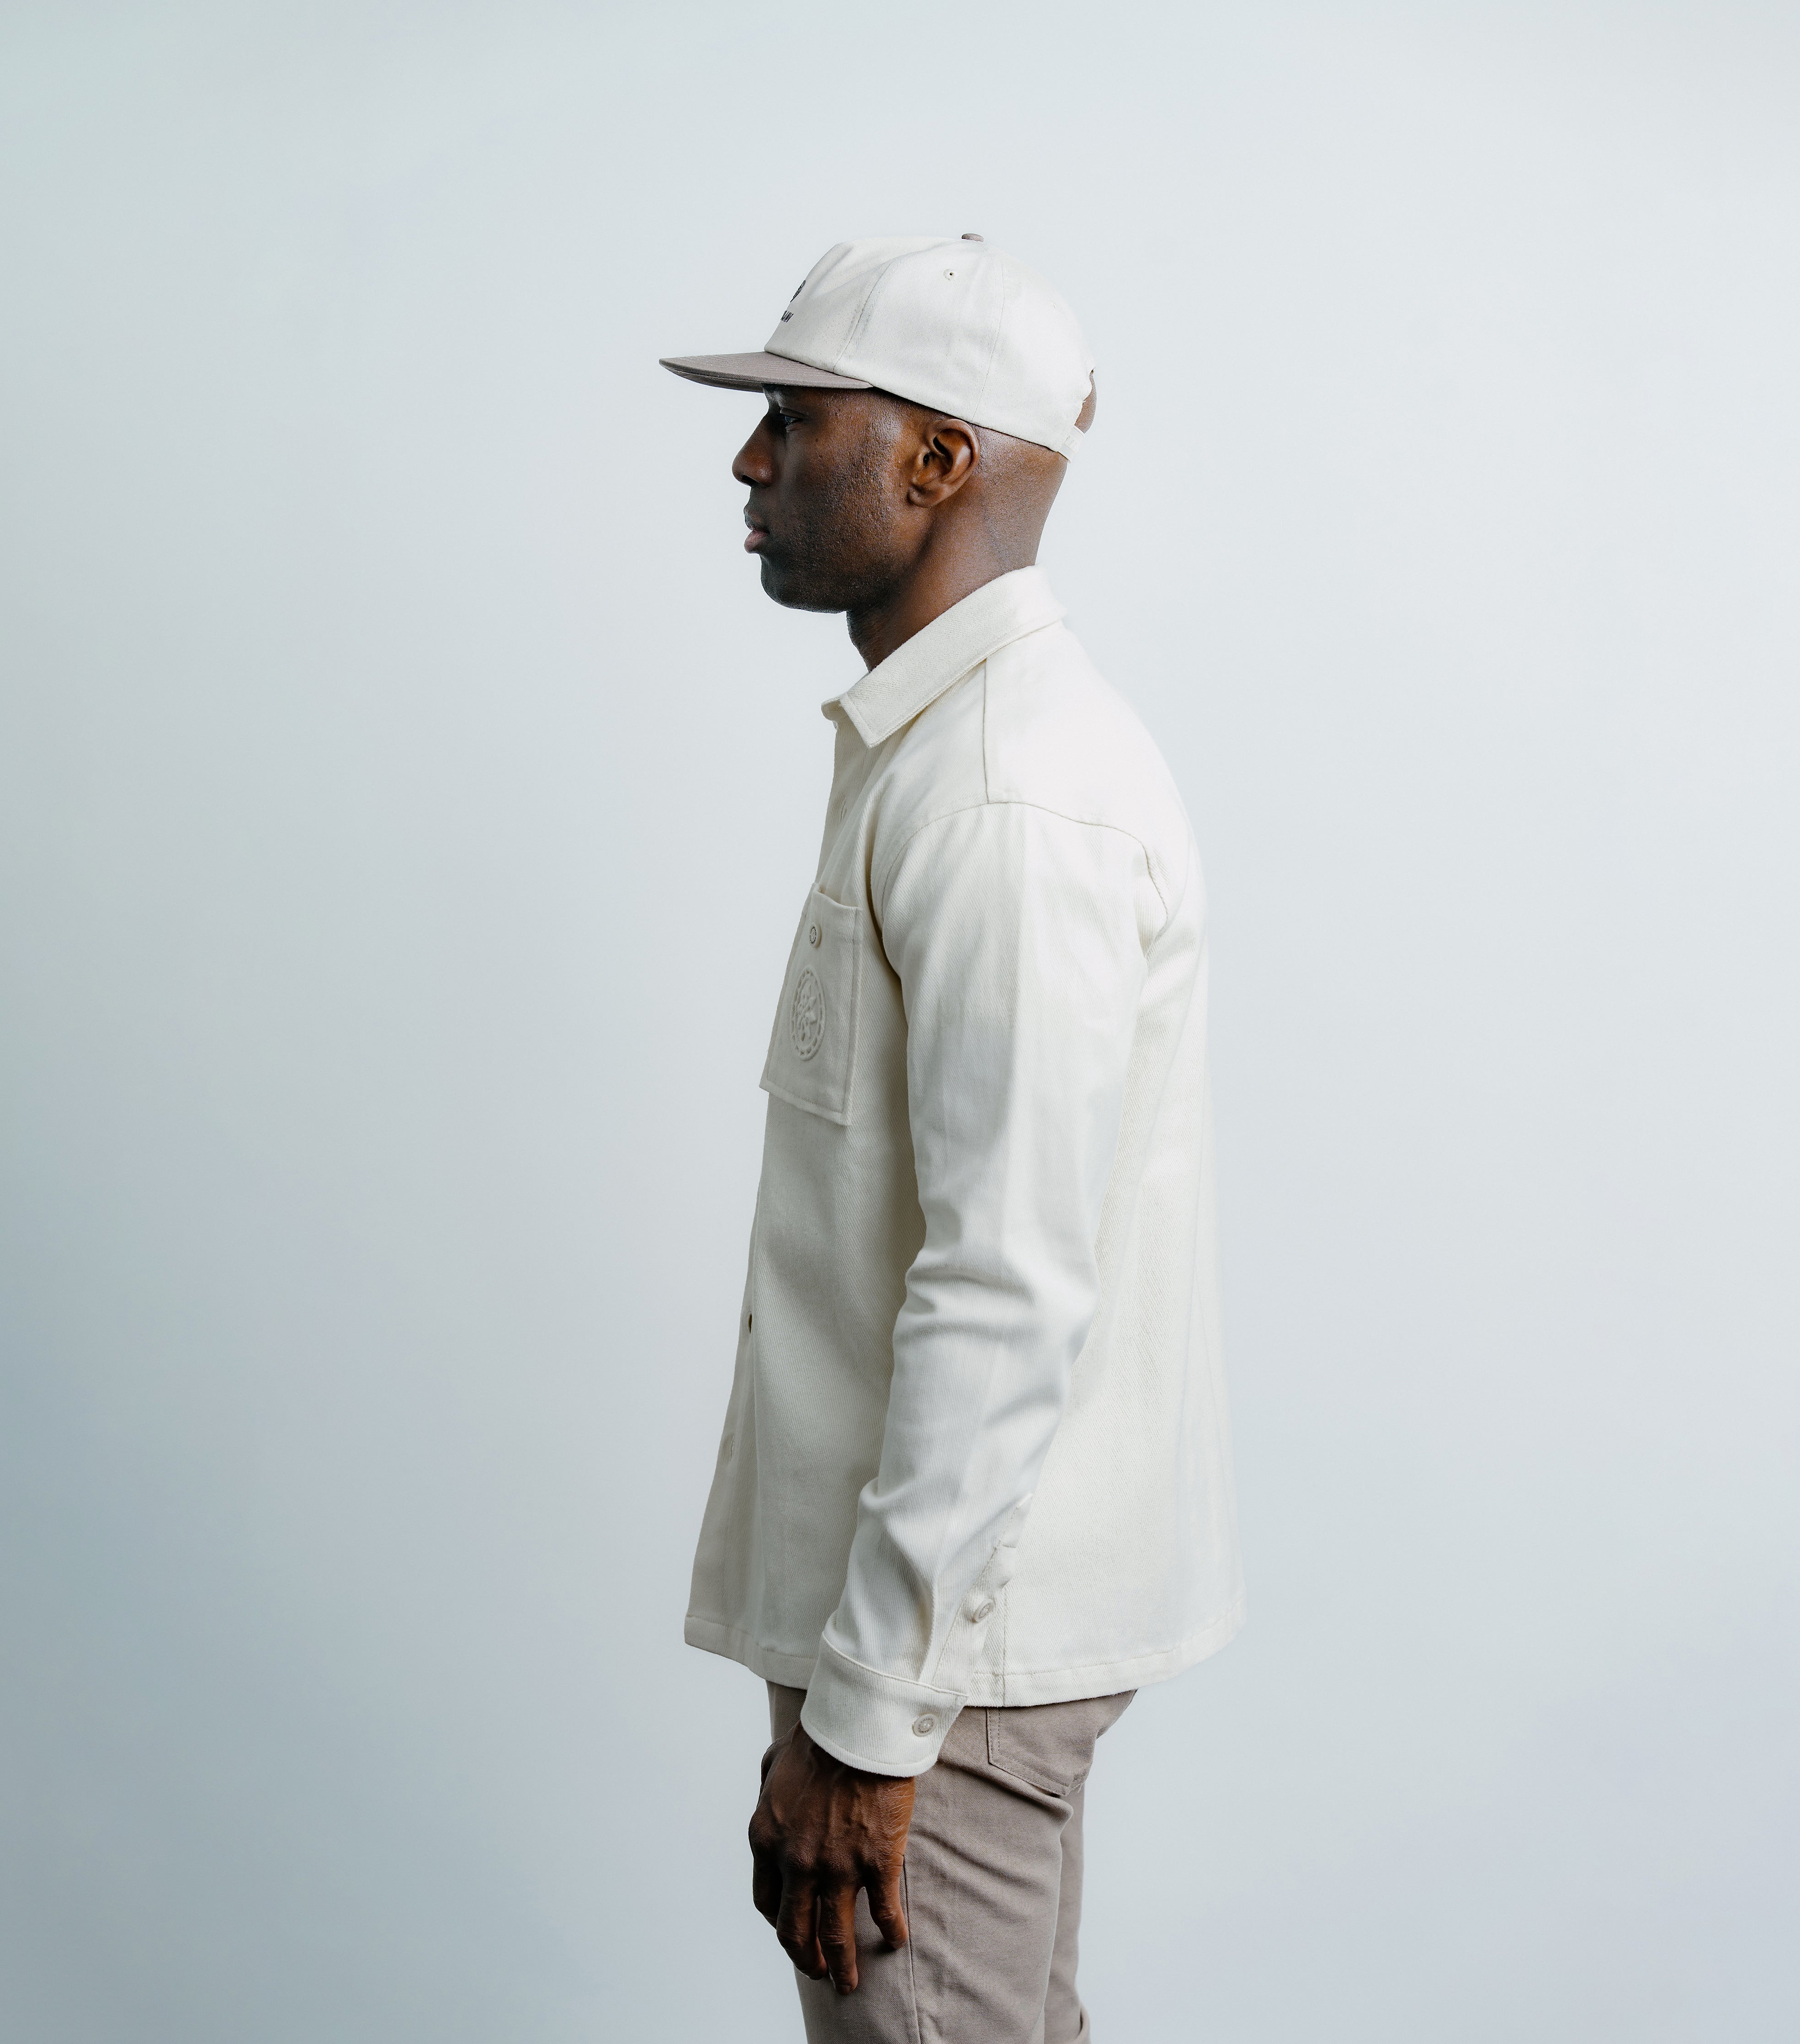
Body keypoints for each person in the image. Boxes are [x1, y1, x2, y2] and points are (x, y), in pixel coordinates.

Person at [660, 235, 1242, 2044]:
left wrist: (867, 1714)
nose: (748, 465)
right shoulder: (941, 754)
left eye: (792, 418)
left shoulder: (1008, 795)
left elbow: (1004, 1284)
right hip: (929, 1645)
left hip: (945, 1665)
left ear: (937, 462)